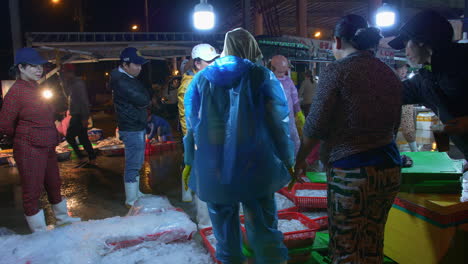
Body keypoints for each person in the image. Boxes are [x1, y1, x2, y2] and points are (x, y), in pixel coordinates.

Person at [294, 15, 402, 263]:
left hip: (351, 172)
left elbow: (316, 124)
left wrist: (300, 159)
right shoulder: (389, 73)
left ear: (337, 41)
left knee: (346, 246)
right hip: (389, 170)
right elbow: (394, 125)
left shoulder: (337, 71)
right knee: (373, 240)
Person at [183, 28, 294, 264]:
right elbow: (278, 123)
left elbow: (192, 125)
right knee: (263, 226)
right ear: (253, 48)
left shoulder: (200, 80)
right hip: (256, 163)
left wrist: (189, 161)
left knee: (224, 230)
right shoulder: (261, 76)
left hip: (214, 167)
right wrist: (288, 158)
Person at [0, 48, 80, 232]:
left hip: (47, 145)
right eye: (33, 66)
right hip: (29, 148)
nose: (39, 70)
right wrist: (24, 135)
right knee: (32, 190)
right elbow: (4, 124)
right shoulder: (16, 91)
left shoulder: (36, 88)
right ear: (21, 67)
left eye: (40, 66)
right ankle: (39, 231)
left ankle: (62, 220)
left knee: (54, 184)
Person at [389, 10, 468, 159]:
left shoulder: (463, 60)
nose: (405, 52)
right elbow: (390, 94)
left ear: (421, 41)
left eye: (406, 44)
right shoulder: (424, 80)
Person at [178, 43, 219, 203]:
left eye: (214, 60)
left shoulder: (209, 78)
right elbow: (185, 116)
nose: (213, 64)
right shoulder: (189, 85)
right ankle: (191, 195)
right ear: (197, 63)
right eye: (209, 61)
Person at [110, 47, 151, 207]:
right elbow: (143, 99)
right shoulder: (121, 80)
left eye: (141, 65)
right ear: (125, 64)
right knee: (133, 163)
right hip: (131, 126)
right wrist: (146, 99)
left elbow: (144, 98)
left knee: (138, 161)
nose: (140, 68)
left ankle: (136, 192)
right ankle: (131, 199)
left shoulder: (127, 77)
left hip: (136, 124)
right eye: (136, 65)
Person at [61, 64, 97, 165]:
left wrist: (85, 117)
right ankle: (91, 158)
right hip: (77, 114)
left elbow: (84, 101)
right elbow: (67, 94)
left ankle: (82, 157)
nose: (65, 75)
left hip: (79, 115)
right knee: (83, 138)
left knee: (70, 137)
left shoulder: (78, 84)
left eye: (66, 73)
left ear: (71, 73)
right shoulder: (72, 84)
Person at [269, 55, 304, 155]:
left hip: (285, 121)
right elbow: (295, 99)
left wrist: (298, 112)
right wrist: (299, 112)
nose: (281, 74)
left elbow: (295, 98)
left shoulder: (271, 81)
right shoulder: (269, 81)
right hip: (280, 121)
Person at [393, 63, 418, 152]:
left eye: (405, 68)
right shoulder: (390, 81)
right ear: (395, 69)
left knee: (408, 129)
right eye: (401, 68)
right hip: (393, 105)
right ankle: (394, 151)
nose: (404, 71)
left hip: (406, 105)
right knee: (391, 129)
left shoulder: (408, 81)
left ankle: (415, 151)